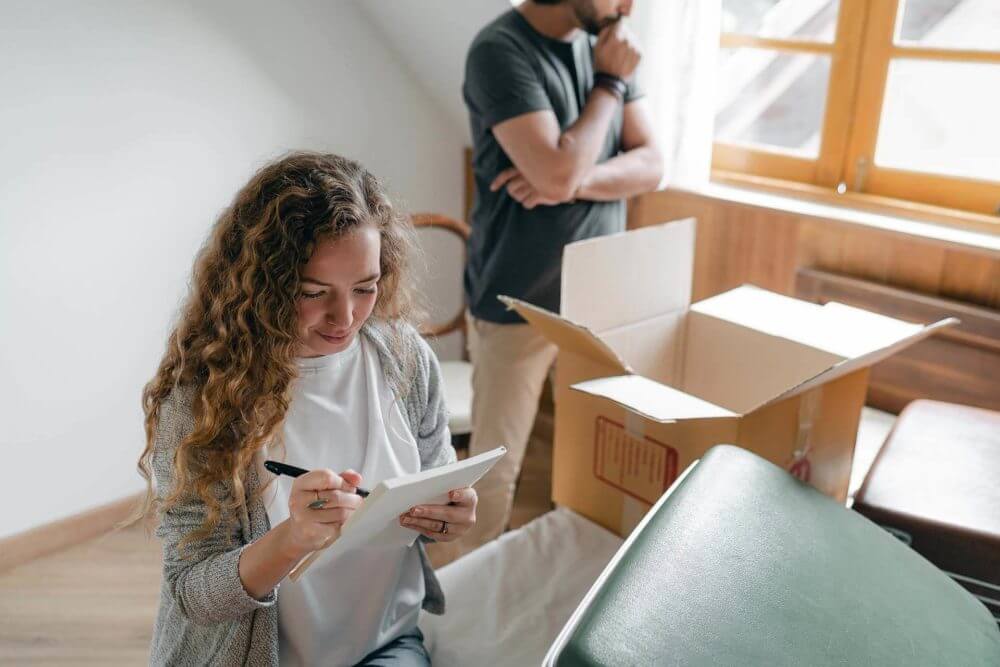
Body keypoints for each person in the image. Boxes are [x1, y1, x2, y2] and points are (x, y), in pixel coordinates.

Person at [134, 152, 476, 666]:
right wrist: (292, 539)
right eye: (314, 293)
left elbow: (437, 476)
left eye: (366, 287)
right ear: (263, 287)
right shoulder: (203, 400)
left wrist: (447, 513)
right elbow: (192, 593)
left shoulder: (407, 360)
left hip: (384, 644)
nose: (347, 317)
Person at [440, 0, 663, 561]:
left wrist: (572, 181)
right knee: (491, 480)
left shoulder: (606, 40)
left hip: (597, 303)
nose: (629, 6)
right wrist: (609, 83)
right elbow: (557, 170)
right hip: (517, 300)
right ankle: (444, 612)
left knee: (573, 471)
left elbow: (654, 164)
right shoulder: (500, 50)